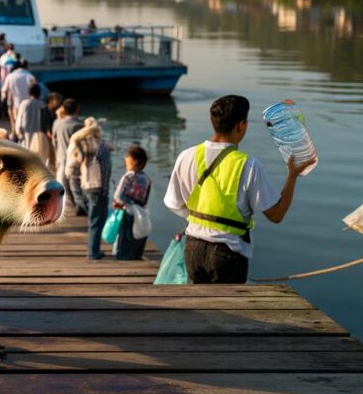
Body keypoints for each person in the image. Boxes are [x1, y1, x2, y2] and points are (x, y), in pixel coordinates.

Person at [164, 95, 315, 284]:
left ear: (212, 121)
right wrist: (292, 176)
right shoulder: (249, 165)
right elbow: (276, 215)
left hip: (192, 247)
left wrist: (202, 221)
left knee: (199, 302)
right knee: (227, 303)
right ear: (241, 125)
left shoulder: (186, 156)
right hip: (227, 252)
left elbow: (173, 203)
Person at [66, 118, 112, 259]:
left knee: (96, 220)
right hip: (98, 187)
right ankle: (93, 252)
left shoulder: (82, 144)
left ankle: (95, 250)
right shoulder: (98, 144)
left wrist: (76, 180)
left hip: (89, 186)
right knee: (96, 220)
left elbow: (71, 168)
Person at [112, 145, 151, 260]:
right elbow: (145, 199)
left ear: (134, 161)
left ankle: (123, 257)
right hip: (140, 212)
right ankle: (136, 255)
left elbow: (118, 196)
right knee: (136, 236)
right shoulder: (146, 178)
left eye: (128, 156)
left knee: (125, 237)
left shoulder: (128, 176)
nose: (125, 158)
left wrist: (121, 204)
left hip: (128, 212)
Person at [53, 99, 86, 216]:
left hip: (61, 158)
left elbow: (55, 142)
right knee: (77, 185)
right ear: (77, 109)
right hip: (75, 160)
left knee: (65, 185)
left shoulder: (58, 124)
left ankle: (76, 205)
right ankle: (81, 206)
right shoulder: (79, 125)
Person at [14, 82, 53, 166]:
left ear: (29, 92)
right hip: (39, 134)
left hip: (26, 133)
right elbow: (46, 122)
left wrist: (19, 133)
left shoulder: (24, 103)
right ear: (39, 93)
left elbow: (19, 120)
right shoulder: (42, 104)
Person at [2, 60, 35, 129]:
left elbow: (4, 90)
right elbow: (34, 89)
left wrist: (6, 101)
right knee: (26, 121)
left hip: (15, 103)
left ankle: (15, 131)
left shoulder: (10, 76)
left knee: (16, 120)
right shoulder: (29, 76)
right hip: (28, 103)